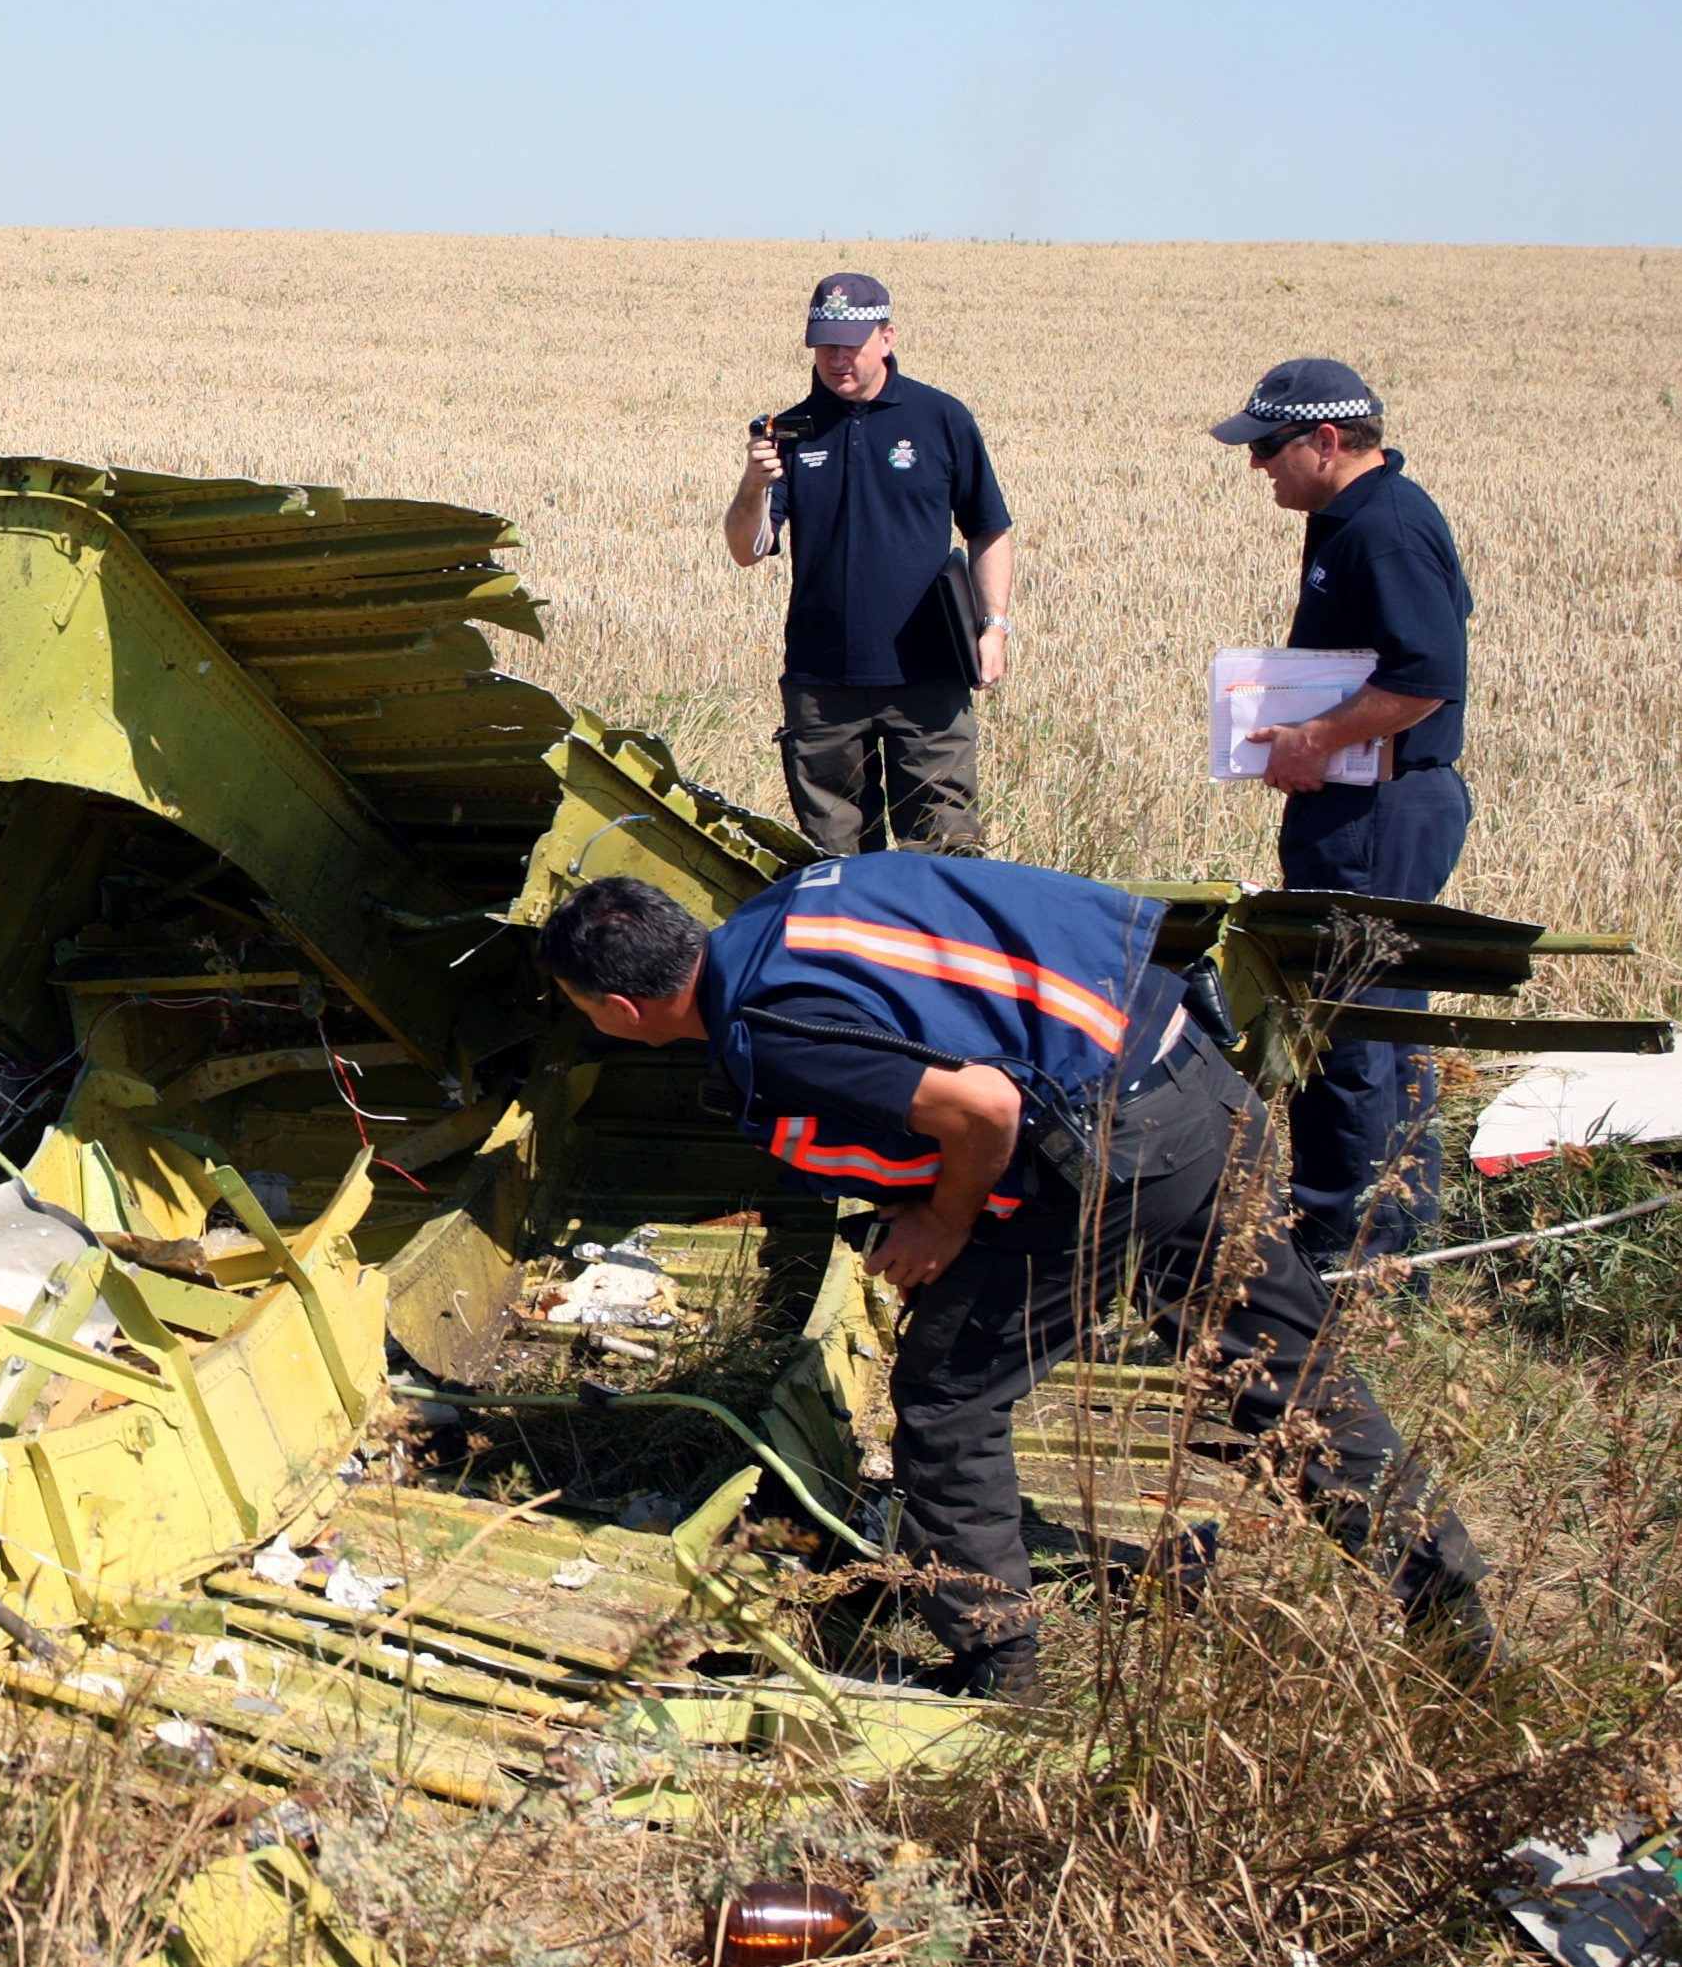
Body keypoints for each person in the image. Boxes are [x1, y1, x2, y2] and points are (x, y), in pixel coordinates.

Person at [537, 861, 1491, 1694]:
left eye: (586, 1011)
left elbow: (983, 1105)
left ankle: (1001, 1666)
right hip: (1187, 1067)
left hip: (1117, 1145)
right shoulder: (789, 910)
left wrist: (945, 1223)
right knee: (1287, 1369)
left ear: (622, 1010)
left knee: (949, 1397)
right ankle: (1448, 1605)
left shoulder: (775, 1026)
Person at [1212, 359, 1477, 1270]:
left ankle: (1347, 1252)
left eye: (1270, 449)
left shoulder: (1386, 531)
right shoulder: (1351, 520)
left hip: (1380, 812)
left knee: (1348, 1024)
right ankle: (1382, 1242)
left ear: (1327, 441)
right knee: (1375, 1017)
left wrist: (1313, 740)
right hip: (1366, 808)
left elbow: (1423, 679)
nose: (1259, 469)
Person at [724, 274, 1018, 858]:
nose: (836, 359)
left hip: (930, 678)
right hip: (823, 683)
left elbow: (989, 528)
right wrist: (753, 484)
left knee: (944, 855)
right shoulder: (791, 431)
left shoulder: (941, 419)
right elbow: (746, 549)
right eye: (824, 345)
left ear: (887, 337)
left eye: (849, 344)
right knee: (834, 863)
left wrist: (994, 626)